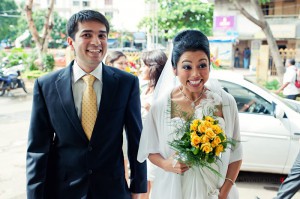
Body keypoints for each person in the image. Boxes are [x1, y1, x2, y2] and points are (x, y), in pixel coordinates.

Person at [26, 10, 147, 199]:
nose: (96, 42)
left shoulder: (126, 83)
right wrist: (34, 195)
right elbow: (38, 148)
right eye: (86, 35)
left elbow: (136, 139)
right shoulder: (46, 85)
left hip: (112, 189)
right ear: (70, 41)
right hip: (62, 190)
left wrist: (138, 187)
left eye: (102, 35)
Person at [137, 30, 243, 199]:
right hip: (172, 191)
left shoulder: (226, 102)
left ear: (209, 65)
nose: (195, 74)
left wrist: (223, 194)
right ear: (174, 69)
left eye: (202, 65)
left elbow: (236, 155)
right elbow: (149, 150)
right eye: (187, 67)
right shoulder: (160, 106)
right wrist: (166, 164)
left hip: (214, 191)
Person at [139, 49, 167, 199]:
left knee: (154, 187)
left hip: (156, 147)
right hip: (144, 145)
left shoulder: (163, 93)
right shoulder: (146, 88)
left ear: (153, 67)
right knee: (144, 186)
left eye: (144, 65)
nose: (140, 69)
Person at [105, 50, 130, 184]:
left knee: (124, 164)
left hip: (122, 132)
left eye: (125, 63)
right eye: (120, 63)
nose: (124, 66)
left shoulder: (127, 82)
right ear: (110, 63)